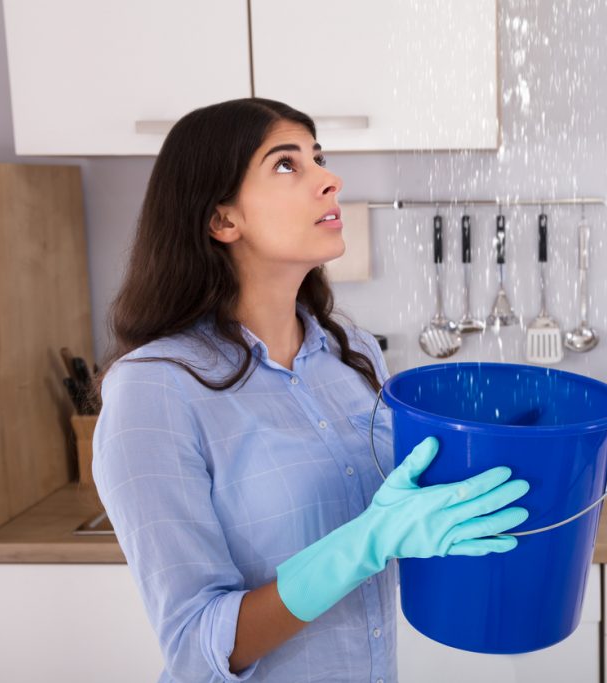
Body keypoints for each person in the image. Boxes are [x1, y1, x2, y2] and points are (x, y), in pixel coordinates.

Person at [92, 97, 530, 683]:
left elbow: (398, 507)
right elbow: (199, 651)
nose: (329, 179)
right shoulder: (154, 390)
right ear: (223, 220)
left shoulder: (348, 347)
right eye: (286, 164)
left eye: (318, 157)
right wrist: (365, 545)